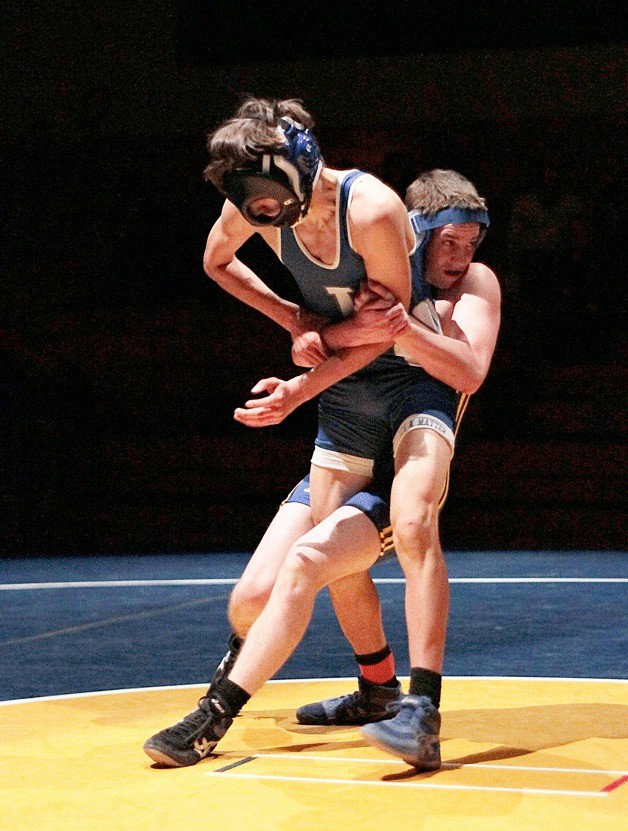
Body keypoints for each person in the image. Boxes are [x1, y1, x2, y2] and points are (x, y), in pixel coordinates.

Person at [143, 160, 501, 770]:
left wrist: (399, 329)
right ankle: (378, 688)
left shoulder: (474, 287)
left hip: (403, 456)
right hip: (344, 445)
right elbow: (336, 340)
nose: (461, 257)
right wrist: (310, 336)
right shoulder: (372, 270)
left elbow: (466, 371)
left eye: (471, 244)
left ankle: (221, 714)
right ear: (413, 235)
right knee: (250, 601)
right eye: (450, 244)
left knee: (337, 553)